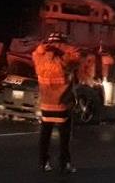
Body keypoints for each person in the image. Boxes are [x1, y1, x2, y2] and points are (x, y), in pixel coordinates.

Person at [32, 32, 81, 173]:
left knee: (45, 135)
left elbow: (37, 52)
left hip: (46, 105)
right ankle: (64, 164)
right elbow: (77, 56)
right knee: (64, 138)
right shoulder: (65, 60)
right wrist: (63, 46)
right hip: (63, 105)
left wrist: (47, 47)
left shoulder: (39, 58)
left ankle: (44, 163)